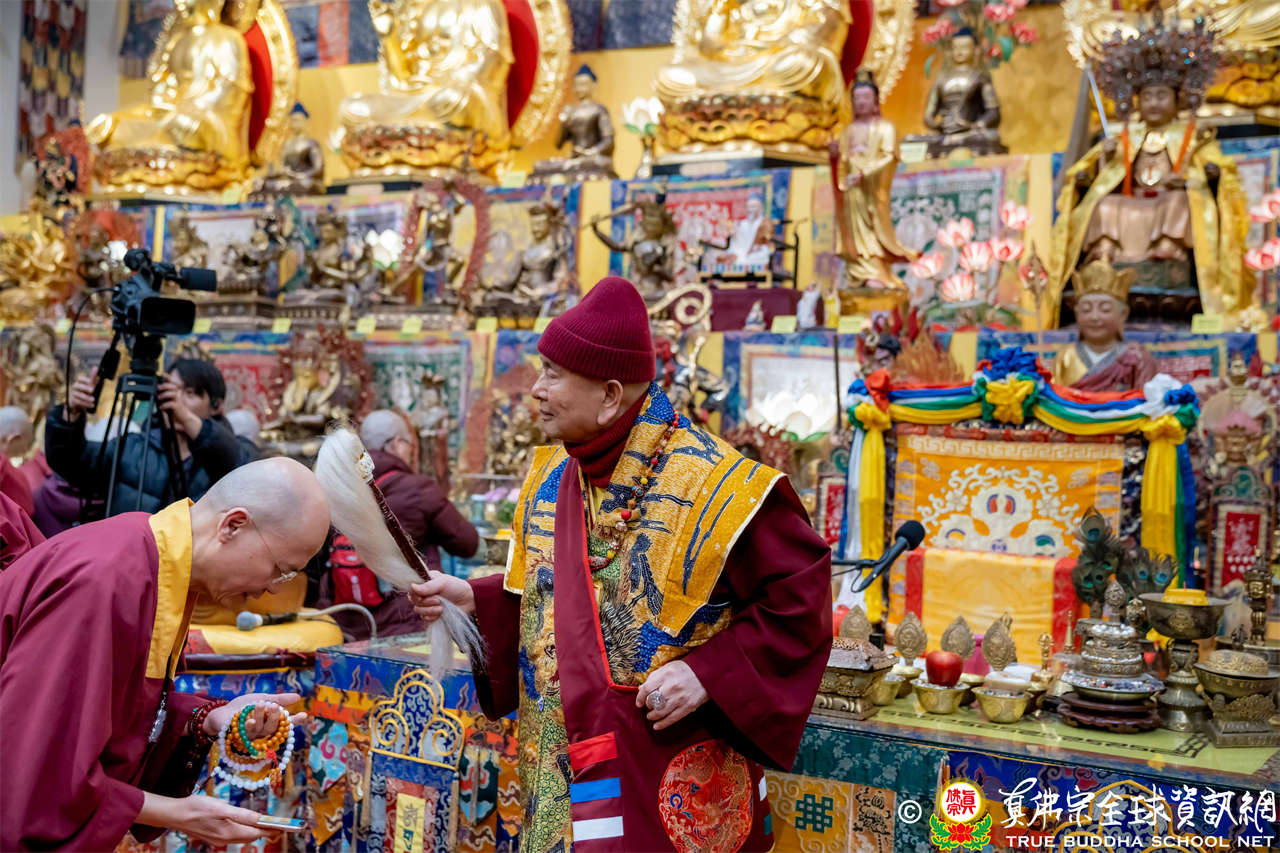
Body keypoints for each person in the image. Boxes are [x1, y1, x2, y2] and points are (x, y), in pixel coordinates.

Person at [410, 277, 833, 852]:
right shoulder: (554, 475)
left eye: (552, 374)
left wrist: (709, 674)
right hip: (559, 765)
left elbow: (801, 598)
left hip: (664, 777)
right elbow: (565, 599)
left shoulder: (716, 484)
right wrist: (478, 599)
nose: (535, 390)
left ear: (610, 395)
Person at [0, 457, 332, 849]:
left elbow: (108, 707)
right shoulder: (103, 580)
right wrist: (180, 814)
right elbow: (36, 771)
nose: (274, 588)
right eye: (280, 568)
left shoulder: (157, 560)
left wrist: (207, 719)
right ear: (233, 525)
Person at [320, 410, 480, 640]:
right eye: (409, 444)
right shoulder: (418, 488)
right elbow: (468, 544)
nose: (412, 452)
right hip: (407, 622)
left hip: (344, 623)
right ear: (396, 443)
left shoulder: (338, 489)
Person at [45, 357, 240, 517]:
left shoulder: (232, 455)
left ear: (216, 406)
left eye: (189, 393)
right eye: (170, 391)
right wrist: (69, 416)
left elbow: (240, 470)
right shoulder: (132, 447)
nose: (175, 400)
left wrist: (187, 419)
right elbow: (71, 463)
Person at [0, 406, 36, 515]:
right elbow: (27, 513)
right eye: (27, 446)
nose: (26, 451)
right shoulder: (12, 474)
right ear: (14, 438)